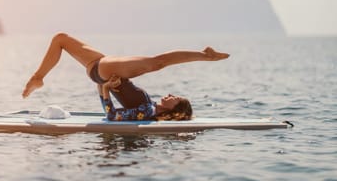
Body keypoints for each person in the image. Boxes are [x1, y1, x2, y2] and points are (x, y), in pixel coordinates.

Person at [22, 33, 229, 121]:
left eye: (175, 98)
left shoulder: (146, 111)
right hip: (101, 70)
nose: (170, 94)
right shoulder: (149, 107)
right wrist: (104, 86)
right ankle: (38, 77)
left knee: (156, 63)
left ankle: (206, 56)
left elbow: (112, 116)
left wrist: (104, 87)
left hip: (104, 72)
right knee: (61, 38)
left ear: (175, 109)